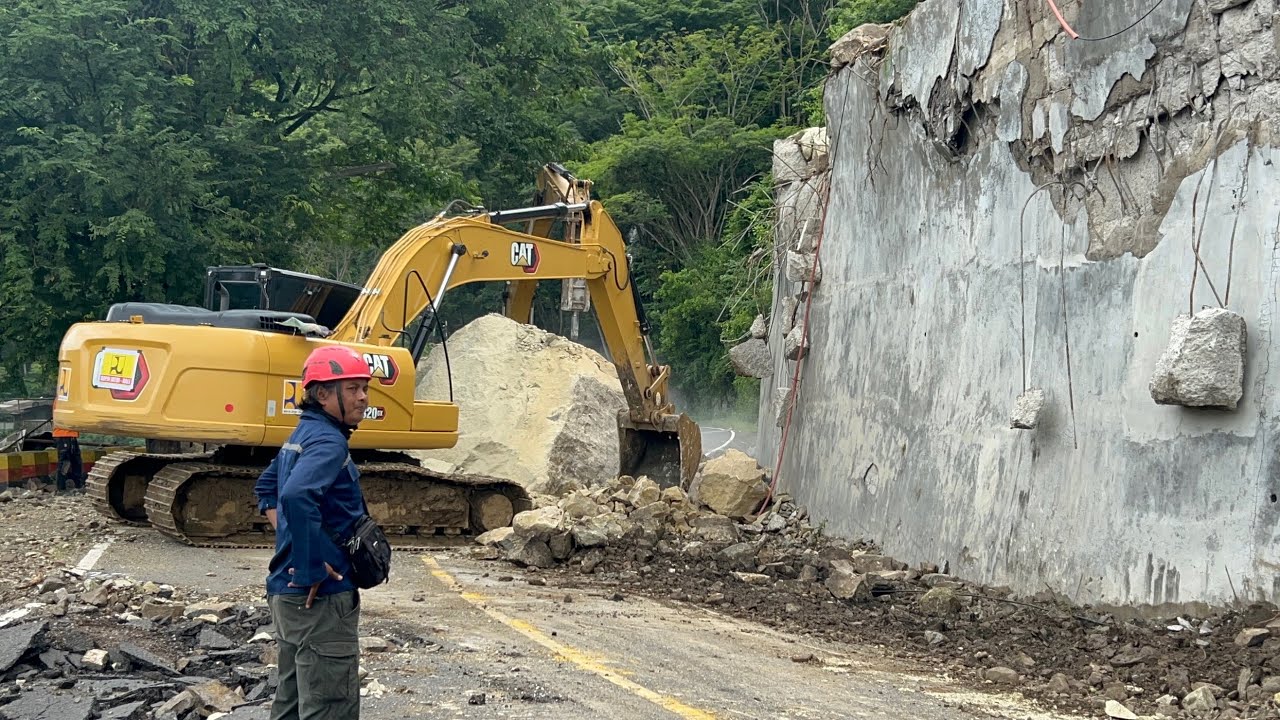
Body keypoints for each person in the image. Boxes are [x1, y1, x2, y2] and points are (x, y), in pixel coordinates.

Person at [254, 345, 372, 720]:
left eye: (364, 387)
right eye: (352, 388)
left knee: (290, 704)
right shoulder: (327, 441)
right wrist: (311, 567)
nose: (363, 397)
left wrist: (294, 542)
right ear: (323, 394)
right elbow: (295, 494)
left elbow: (266, 490)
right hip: (319, 600)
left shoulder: (302, 434)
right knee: (329, 706)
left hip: (288, 599)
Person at [52, 425, 84, 494]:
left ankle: (78, 486)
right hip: (63, 435)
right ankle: (61, 488)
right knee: (64, 462)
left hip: (71, 435)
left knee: (76, 461)